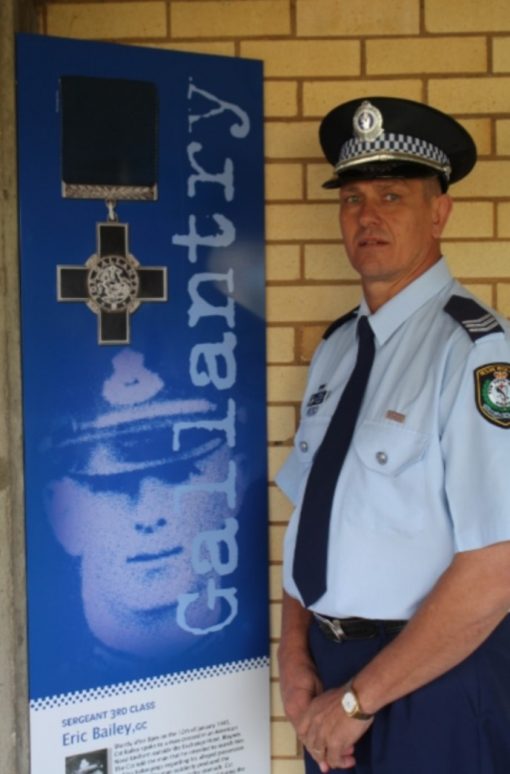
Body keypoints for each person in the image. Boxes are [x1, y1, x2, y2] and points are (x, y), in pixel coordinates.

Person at [276, 96, 510, 774]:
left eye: (392, 195)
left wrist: (355, 703)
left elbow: (496, 570)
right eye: (352, 199)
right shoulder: (337, 349)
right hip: (331, 679)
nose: (367, 216)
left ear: (439, 212)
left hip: (438, 680)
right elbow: (309, 516)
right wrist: (296, 657)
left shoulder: (474, 353)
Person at [44, 347, 248, 675]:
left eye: (178, 475)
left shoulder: (263, 657)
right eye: (112, 486)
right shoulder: (50, 682)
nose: (149, 515)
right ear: (63, 512)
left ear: (233, 485)